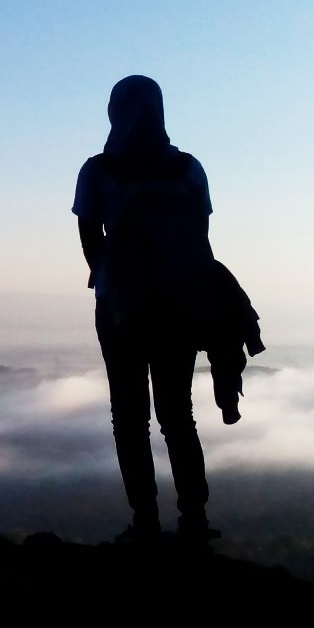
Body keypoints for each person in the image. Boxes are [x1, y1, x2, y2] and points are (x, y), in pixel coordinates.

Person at [72, 75, 220, 545]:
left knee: (130, 416)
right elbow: (201, 235)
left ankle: (146, 523)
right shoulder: (188, 169)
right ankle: (194, 520)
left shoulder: (98, 170)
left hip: (122, 309)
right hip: (181, 304)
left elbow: (90, 239)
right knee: (179, 414)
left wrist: (110, 277)